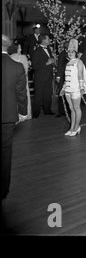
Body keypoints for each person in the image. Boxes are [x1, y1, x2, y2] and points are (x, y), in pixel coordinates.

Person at [2, 34, 28, 201]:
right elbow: (21, 94)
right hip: (7, 115)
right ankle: (3, 189)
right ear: (8, 47)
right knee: (5, 151)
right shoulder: (17, 67)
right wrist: (23, 112)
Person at [60, 39, 86, 136]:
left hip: (76, 88)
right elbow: (66, 78)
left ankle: (77, 127)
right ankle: (72, 127)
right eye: (69, 51)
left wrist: (82, 88)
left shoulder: (79, 62)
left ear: (76, 53)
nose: (70, 53)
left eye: (72, 52)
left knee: (77, 108)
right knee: (71, 109)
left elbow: (80, 76)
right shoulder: (67, 63)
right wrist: (63, 89)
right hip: (68, 89)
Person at [31, 34, 55, 118]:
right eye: (48, 39)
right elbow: (34, 66)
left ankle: (47, 110)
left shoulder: (48, 49)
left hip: (49, 75)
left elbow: (51, 60)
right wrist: (46, 63)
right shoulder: (36, 51)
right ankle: (35, 113)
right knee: (38, 95)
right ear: (43, 40)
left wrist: (53, 61)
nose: (50, 41)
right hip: (40, 77)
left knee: (48, 94)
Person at [9, 42, 32, 119]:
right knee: (23, 97)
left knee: (13, 97)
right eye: (19, 48)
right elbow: (25, 71)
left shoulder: (9, 57)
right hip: (22, 80)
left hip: (12, 81)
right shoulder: (23, 57)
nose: (21, 49)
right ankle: (25, 114)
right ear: (16, 49)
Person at [56, 42, 71, 118]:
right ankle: (61, 111)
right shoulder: (62, 54)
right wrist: (58, 76)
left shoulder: (71, 53)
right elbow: (60, 65)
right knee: (62, 92)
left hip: (69, 76)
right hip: (63, 76)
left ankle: (68, 110)